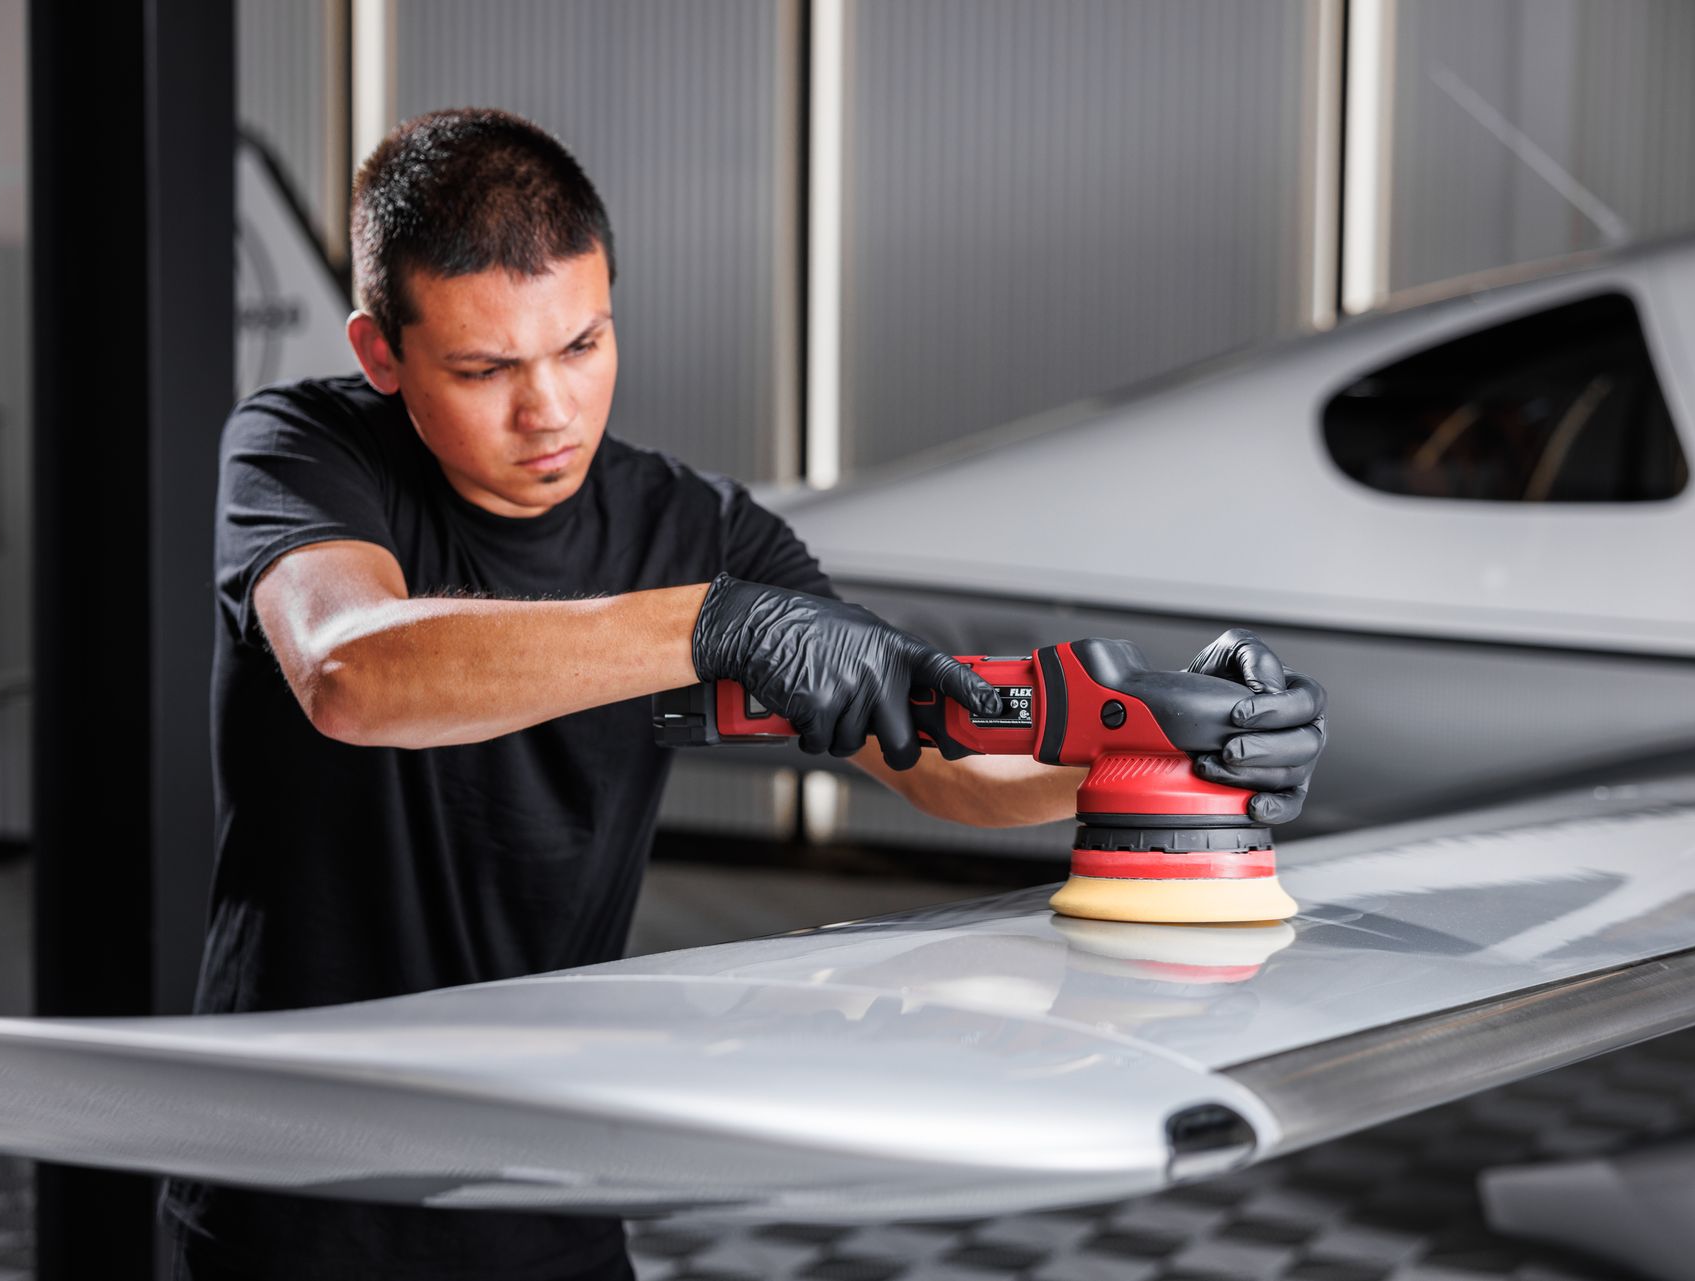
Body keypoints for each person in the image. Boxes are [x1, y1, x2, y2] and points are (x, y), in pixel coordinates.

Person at [159, 107, 1328, 1280]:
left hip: (541, 1173)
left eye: (582, 344)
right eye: (484, 368)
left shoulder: (702, 528)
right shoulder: (303, 447)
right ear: (381, 354)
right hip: (293, 1184)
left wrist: (1170, 748)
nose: (549, 409)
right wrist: (710, 625)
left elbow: (954, 759)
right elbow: (352, 671)